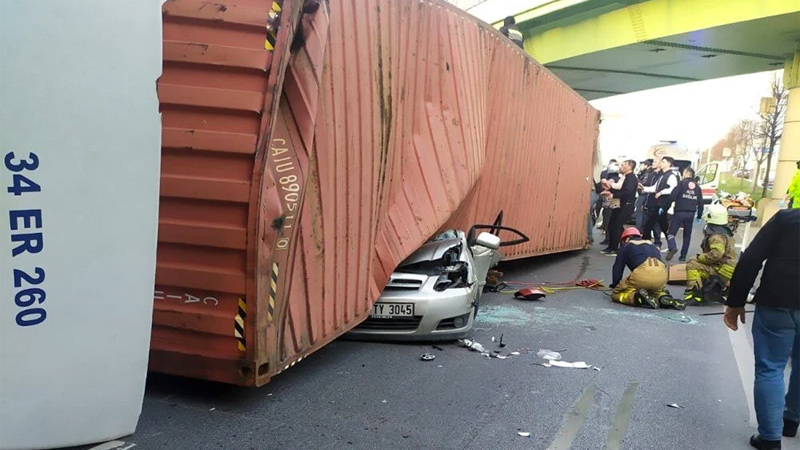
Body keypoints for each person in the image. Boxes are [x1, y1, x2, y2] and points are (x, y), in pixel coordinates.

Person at [723, 208, 800, 450]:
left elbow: (751, 259)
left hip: (778, 300)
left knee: (770, 367)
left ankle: (769, 436)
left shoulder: (787, 219)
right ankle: (791, 420)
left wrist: (735, 301)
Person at [609, 227, 684, 309]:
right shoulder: (652, 245)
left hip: (641, 276)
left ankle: (638, 297)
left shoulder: (626, 247)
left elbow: (617, 269)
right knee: (655, 292)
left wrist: (615, 286)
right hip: (661, 277)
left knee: (616, 294)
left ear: (627, 238)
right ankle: (664, 297)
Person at [684, 203, 737, 304]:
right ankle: (716, 291)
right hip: (727, 269)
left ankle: (696, 294)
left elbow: (716, 254)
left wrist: (700, 258)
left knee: (692, 264)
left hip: (721, 270)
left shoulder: (716, 236)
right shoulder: (725, 233)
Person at [640, 157, 680, 248]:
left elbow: (673, 188)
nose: (661, 163)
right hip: (658, 203)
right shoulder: (662, 176)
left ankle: (647, 243)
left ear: (669, 164)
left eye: (663, 161)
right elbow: (655, 188)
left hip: (664, 204)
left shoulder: (671, 175)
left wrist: (662, 192)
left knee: (651, 223)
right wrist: (644, 188)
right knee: (661, 224)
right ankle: (671, 245)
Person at [665, 167, 704, 262]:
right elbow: (701, 203)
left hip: (679, 212)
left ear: (686, 174)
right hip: (691, 214)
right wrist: (699, 216)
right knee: (687, 235)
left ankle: (672, 247)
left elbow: (672, 196)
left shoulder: (681, 184)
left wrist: (665, 207)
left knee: (671, 233)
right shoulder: (697, 187)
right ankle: (683, 256)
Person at [600, 160, 638, 254]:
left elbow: (627, 192)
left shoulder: (632, 178)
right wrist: (610, 190)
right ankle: (616, 246)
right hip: (619, 204)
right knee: (613, 224)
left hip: (626, 205)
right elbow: (620, 189)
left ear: (629, 167)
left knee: (616, 225)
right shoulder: (625, 177)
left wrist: (613, 195)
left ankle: (615, 248)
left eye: (623, 165)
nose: (621, 167)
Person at [598, 160, 620, 245]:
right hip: (616, 200)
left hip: (610, 200)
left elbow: (607, 188)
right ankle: (610, 238)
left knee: (608, 219)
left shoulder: (611, 179)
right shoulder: (619, 178)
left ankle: (608, 239)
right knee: (613, 218)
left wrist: (604, 188)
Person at [635, 159, 654, 229]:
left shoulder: (647, 174)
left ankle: (639, 228)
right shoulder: (645, 173)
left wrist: (636, 180)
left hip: (643, 194)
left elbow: (643, 183)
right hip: (644, 194)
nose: (640, 166)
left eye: (642, 165)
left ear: (646, 166)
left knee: (639, 212)